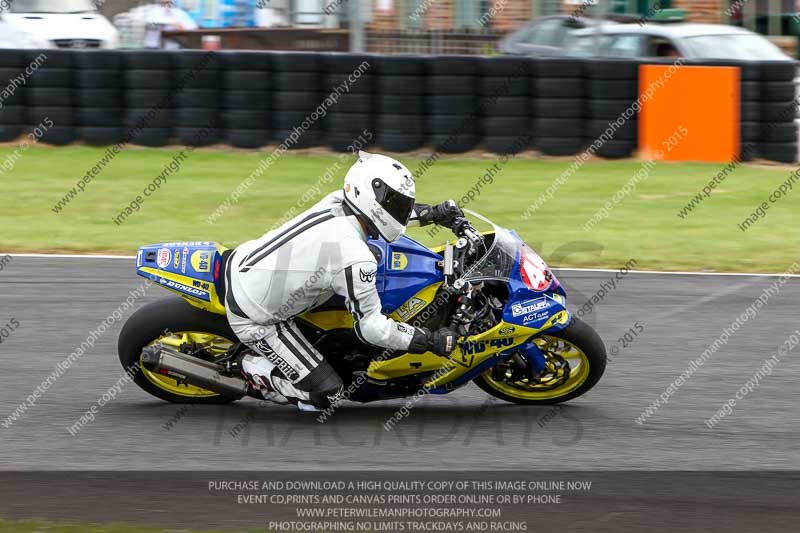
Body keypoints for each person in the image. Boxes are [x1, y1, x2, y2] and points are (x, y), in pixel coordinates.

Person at [224, 151, 463, 412]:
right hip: (257, 318)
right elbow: (371, 329)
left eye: (403, 204)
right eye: (397, 203)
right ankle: (250, 367)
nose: (402, 210)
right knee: (327, 396)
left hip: (249, 263)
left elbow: (383, 214)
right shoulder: (354, 256)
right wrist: (427, 341)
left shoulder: (339, 201)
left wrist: (433, 213)